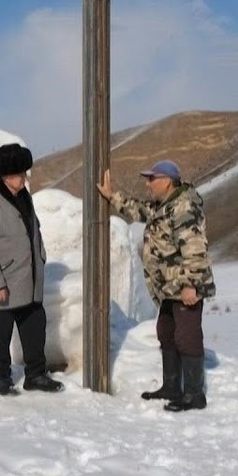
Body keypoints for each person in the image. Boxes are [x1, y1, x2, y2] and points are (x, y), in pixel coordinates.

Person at [96, 159, 216, 412]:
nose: (148, 184)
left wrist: (190, 286)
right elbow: (139, 211)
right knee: (167, 333)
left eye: (152, 179)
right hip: (169, 288)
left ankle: (194, 395)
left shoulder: (183, 207)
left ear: (167, 180)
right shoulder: (166, 206)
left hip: (184, 287)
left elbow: (195, 249)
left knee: (187, 337)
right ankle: (172, 387)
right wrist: (111, 195)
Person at [0, 143, 65, 396]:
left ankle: (36, 374)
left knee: (35, 327)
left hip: (29, 277)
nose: (25, 177)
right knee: (0, 333)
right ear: (6, 176)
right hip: (4, 280)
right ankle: (1, 379)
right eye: (20, 173)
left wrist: (41, 255)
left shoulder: (24, 197)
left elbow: (34, 229)